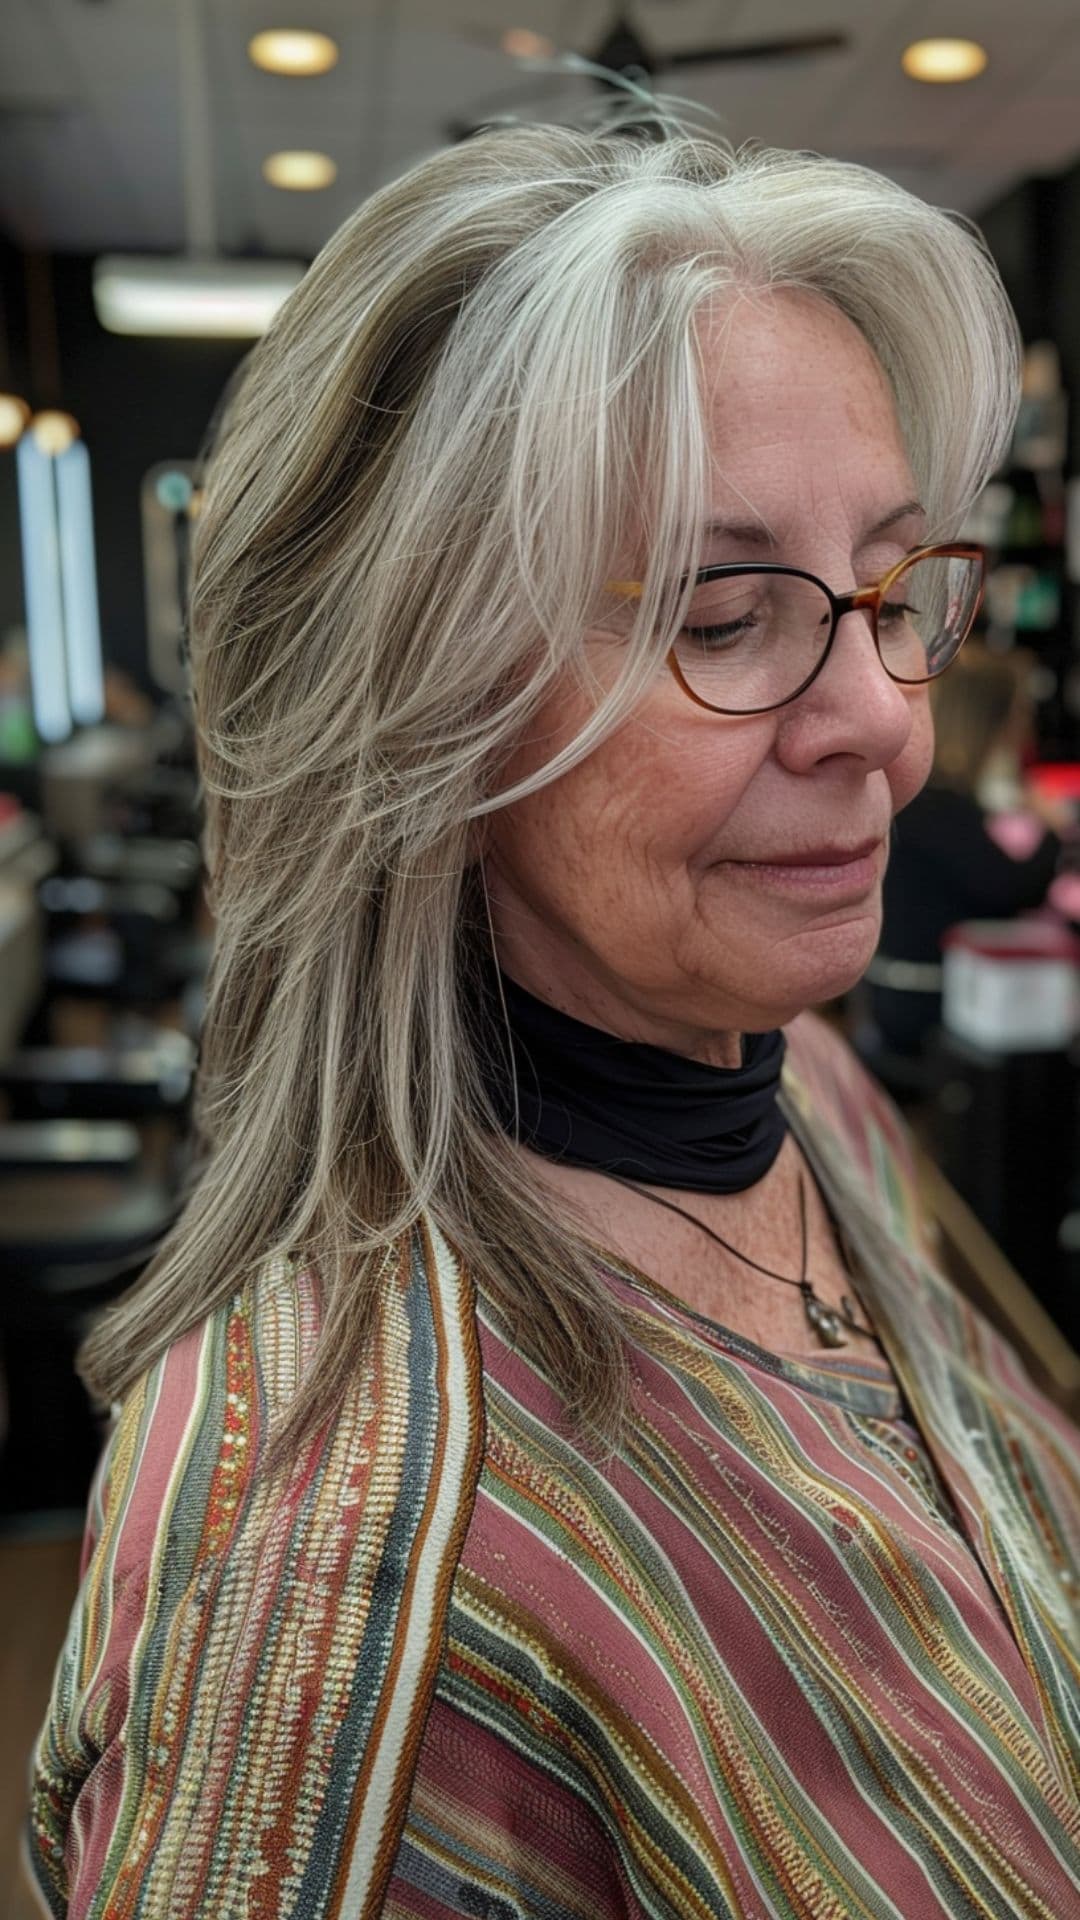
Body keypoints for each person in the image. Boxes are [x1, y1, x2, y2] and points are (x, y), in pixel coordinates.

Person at [25, 120, 1079, 1918]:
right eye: (728, 614)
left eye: (901, 589)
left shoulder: (796, 1079)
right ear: (419, 716)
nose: (888, 722)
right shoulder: (342, 1607)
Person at [867, 641, 1067, 1054]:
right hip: (924, 1005)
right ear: (994, 722)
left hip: (901, 992)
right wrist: (1052, 832)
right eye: (1020, 715)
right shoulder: (939, 804)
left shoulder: (929, 801)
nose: (1028, 729)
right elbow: (1012, 890)